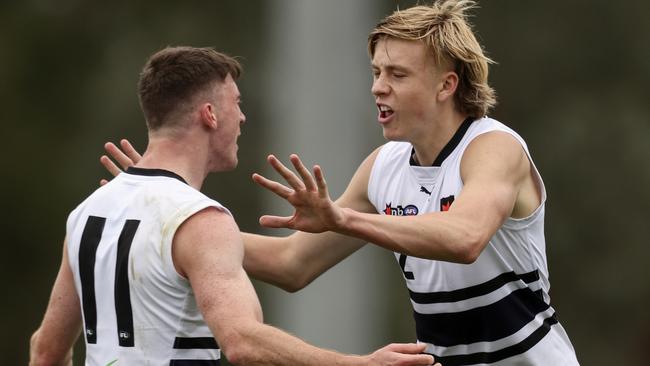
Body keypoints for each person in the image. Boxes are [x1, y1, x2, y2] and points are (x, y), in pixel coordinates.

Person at [100, 1, 580, 364]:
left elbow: (464, 237)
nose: (378, 87)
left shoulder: (493, 147)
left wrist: (343, 218)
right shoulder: (384, 166)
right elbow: (293, 265)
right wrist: (173, 219)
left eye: (397, 74)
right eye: (375, 72)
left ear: (446, 85)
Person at [29, 46, 438, 366]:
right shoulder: (201, 220)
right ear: (209, 114)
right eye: (236, 103)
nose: (241, 118)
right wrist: (359, 363)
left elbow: (46, 352)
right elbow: (242, 342)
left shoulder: (87, 213)